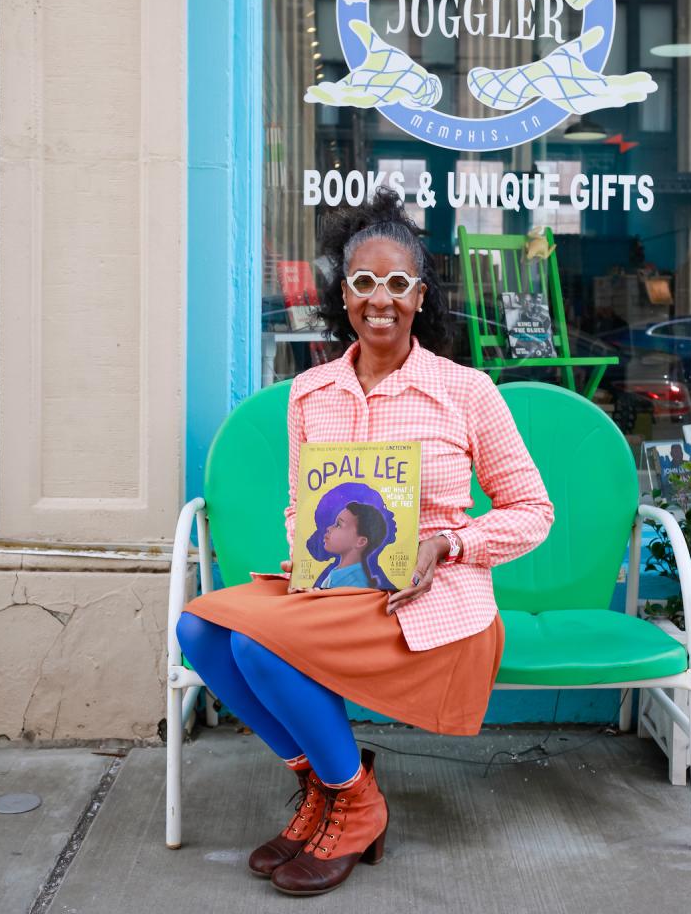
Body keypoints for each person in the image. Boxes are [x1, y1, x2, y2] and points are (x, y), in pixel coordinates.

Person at [176, 187, 555, 897]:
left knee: (260, 644)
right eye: (364, 282)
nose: (381, 299)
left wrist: (450, 544)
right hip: (337, 589)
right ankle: (328, 788)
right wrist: (312, 555)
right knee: (198, 629)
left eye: (398, 283)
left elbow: (533, 510)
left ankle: (354, 804)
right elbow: (300, 506)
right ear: (343, 294)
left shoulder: (466, 390)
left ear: (420, 294)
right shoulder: (310, 393)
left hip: (430, 606)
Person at [316, 501, 386, 589]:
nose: (329, 528)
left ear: (361, 542)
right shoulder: (338, 573)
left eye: (338, 525)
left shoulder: (357, 584)